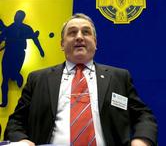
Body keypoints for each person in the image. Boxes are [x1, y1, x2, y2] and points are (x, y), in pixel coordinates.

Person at [4, 13, 157, 146]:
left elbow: (144, 115)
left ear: (95, 43)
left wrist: (142, 140)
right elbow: (15, 122)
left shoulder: (119, 77)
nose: (79, 37)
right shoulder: (38, 79)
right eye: (72, 33)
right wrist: (22, 141)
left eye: (86, 32)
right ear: (62, 44)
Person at [0, 10, 44, 107]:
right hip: (8, 54)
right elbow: (1, 38)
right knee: (5, 78)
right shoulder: (9, 29)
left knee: (14, 74)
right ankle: (4, 101)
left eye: (19, 16)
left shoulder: (26, 28)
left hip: (19, 54)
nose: (17, 17)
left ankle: (17, 76)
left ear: (22, 18)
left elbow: (34, 38)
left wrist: (40, 50)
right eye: (16, 15)